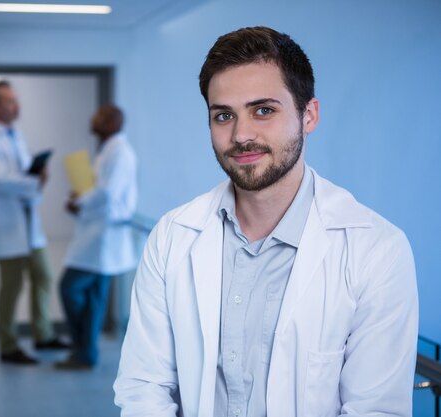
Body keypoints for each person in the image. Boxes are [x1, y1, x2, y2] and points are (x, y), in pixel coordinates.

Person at [114, 26, 418, 417]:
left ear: (308, 115)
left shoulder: (377, 250)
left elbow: (376, 410)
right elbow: (145, 387)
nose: (241, 135)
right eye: (224, 115)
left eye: (263, 111)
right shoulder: (173, 236)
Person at [0, 80, 68, 365]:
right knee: (11, 287)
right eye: (10, 101)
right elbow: (0, 180)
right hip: (8, 226)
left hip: (28, 223)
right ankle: (8, 345)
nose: (17, 106)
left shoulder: (16, 135)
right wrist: (32, 180)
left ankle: (42, 334)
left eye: (16, 100)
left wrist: (37, 174)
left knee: (43, 276)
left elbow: (23, 173)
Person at [56, 104, 138, 370]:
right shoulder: (108, 151)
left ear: (112, 123)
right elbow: (98, 190)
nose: (92, 118)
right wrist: (80, 197)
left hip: (104, 235)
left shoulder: (120, 153)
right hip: (98, 233)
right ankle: (85, 352)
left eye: (99, 116)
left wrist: (80, 203)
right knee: (93, 298)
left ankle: (83, 348)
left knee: (70, 288)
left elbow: (106, 194)